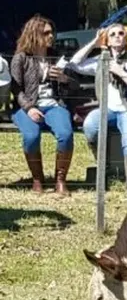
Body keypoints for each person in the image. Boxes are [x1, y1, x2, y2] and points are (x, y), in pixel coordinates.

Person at [67, 24, 127, 203]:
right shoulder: (101, 60)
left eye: (121, 34)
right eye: (112, 34)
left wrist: (121, 73)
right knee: (90, 126)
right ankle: (104, 167)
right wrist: (94, 43)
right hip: (107, 110)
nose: (117, 36)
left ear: (126, 39)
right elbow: (74, 64)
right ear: (108, 40)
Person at [9, 14, 76, 196]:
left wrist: (63, 78)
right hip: (26, 106)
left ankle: (60, 181)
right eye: (46, 33)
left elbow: (73, 84)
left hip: (54, 105)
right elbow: (15, 89)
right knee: (31, 136)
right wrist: (29, 108)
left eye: (51, 32)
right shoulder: (20, 58)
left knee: (65, 134)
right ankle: (37, 179)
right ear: (34, 34)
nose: (51, 36)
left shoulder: (56, 57)